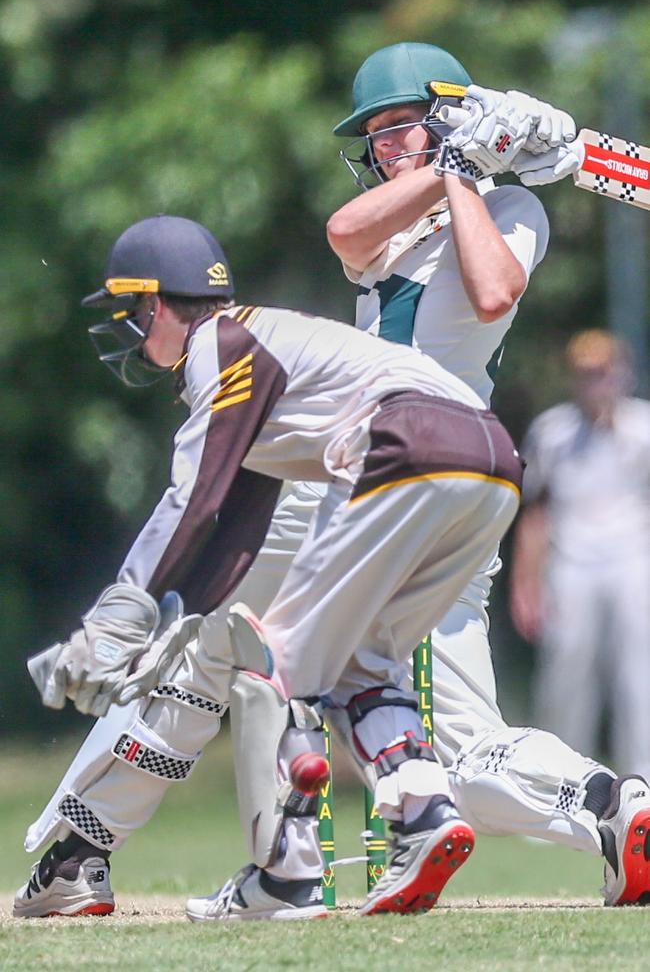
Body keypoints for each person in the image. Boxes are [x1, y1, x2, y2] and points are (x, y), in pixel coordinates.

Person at [13, 44, 649, 919]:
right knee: (436, 734)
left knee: (230, 658)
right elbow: (347, 233)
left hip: (390, 467)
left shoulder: (514, 208)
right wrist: (460, 157)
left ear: (445, 114)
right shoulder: (395, 218)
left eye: (401, 129)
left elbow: (495, 292)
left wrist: (475, 175)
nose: (387, 148)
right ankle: (609, 810)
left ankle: (248, 869)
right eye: (377, 136)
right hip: (420, 467)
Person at [19, 212, 524, 919]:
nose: (129, 330)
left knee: (272, 664)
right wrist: (161, 633)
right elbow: (236, 534)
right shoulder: (269, 348)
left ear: (156, 304)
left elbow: (191, 496)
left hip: (405, 447)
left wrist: (118, 612)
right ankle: (425, 813)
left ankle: (285, 877)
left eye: (130, 310)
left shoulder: (222, 343)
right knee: (360, 666)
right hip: (492, 462)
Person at [510, 329, 650, 778]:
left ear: (620, 375)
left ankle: (642, 783)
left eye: (603, 374)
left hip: (633, 559)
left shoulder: (643, 428)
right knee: (567, 671)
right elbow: (536, 514)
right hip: (570, 562)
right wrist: (524, 586)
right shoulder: (553, 431)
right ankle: (560, 782)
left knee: (638, 674)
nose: (596, 384)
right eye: (587, 375)